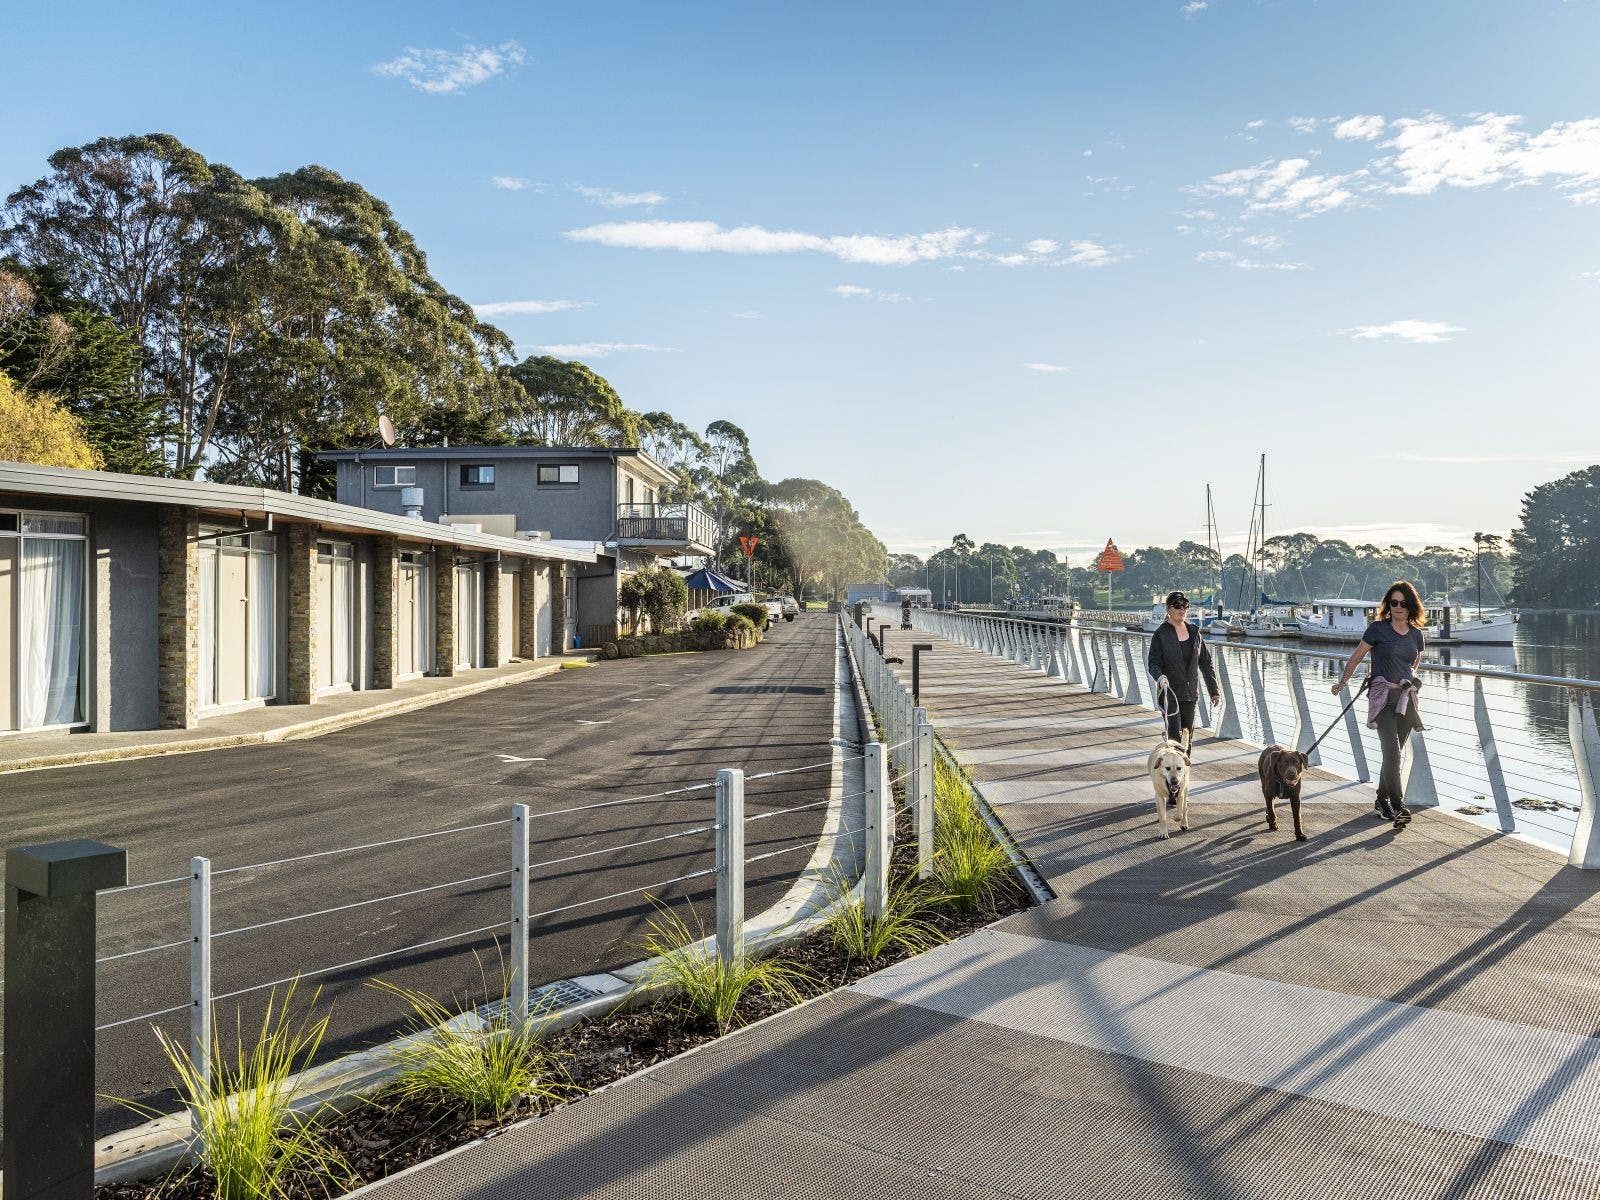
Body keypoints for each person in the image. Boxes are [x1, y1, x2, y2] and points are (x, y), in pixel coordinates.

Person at [1331, 580, 1426, 824]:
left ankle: (1381, 801)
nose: (1398, 607)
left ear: (1411, 606)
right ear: (1388, 605)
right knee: (1392, 754)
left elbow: (1414, 664)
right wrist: (1343, 682)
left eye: (1403, 603)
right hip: (1383, 699)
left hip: (1406, 701)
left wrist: (1408, 678)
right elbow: (1356, 657)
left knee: (1395, 754)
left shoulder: (1417, 635)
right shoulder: (1377, 629)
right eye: (1393, 602)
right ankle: (1399, 806)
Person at [1147, 591, 1222, 758]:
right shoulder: (1161, 634)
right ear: (1168, 609)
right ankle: (1173, 776)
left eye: (1185, 606)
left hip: (1190, 695)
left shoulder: (1194, 632)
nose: (1182, 609)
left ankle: (1183, 772)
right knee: (1175, 736)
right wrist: (1160, 677)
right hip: (1170, 694)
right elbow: (1153, 663)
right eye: (1178, 606)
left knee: (1187, 736)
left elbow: (1205, 663)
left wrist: (1214, 691)